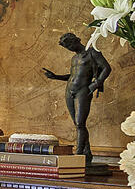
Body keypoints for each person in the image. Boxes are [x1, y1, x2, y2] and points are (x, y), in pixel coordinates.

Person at [43, 31, 112, 169]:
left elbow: (106, 68)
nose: (69, 48)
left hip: (83, 91)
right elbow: (73, 76)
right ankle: (87, 154)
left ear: (76, 40)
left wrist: (97, 83)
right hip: (69, 91)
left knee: (80, 123)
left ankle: (79, 153)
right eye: (66, 47)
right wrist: (55, 76)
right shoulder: (74, 58)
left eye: (69, 44)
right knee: (77, 123)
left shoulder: (92, 53)